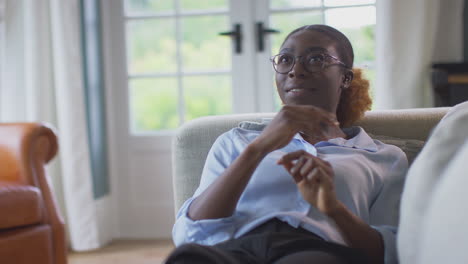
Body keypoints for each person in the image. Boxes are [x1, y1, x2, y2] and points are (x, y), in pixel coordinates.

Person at [165, 24, 407, 264]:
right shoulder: (237, 142)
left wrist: (333, 208)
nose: (296, 70)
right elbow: (190, 234)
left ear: (345, 78)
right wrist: (257, 149)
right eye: (285, 59)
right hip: (234, 250)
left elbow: (385, 253)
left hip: (317, 251)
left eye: (316, 59)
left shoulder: (384, 157)